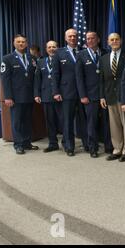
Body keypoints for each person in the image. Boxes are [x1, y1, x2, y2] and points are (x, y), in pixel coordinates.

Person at [52, 28, 88, 156]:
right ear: (66, 38)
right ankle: (69, 146)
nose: (73, 38)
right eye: (70, 36)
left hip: (83, 92)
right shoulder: (58, 53)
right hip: (66, 92)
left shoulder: (84, 52)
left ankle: (87, 143)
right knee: (67, 120)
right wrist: (56, 91)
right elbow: (55, 74)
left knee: (84, 120)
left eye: (75, 36)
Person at [0, 34, 39, 154]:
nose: (21, 44)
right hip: (15, 97)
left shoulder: (32, 58)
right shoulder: (7, 58)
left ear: (26, 44)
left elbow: (35, 77)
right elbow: (5, 79)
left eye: (23, 42)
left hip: (29, 96)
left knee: (27, 121)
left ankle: (27, 143)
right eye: (18, 42)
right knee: (17, 122)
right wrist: (8, 97)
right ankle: (18, 144)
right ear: (14, 43)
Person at [100, 33, 125, 162]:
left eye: (116, 39)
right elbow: (101, 79)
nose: (114, 41)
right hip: (109, 96)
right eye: (111, 40)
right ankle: (117, 149)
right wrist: (102, 96)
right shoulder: (103, 58)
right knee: (114, 125)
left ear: (121, 41)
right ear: (108, 42)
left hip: (124, 95)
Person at [76, 31, 104, 158]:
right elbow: (79, 77)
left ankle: (108, 146)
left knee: (106, 123)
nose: (90, 40)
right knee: (91, 123)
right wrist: (82, 95)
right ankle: (93, 147)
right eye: (88, 38)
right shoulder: (81, 55)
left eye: (93, 38)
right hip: (89, 95)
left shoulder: (105, 52)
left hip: (105, 94)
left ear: (98, 39)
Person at [34, 40, 63, 153]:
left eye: (54, 47)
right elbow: (37, 80)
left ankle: (66, 142)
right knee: (50, 121)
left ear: (58, 48)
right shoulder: (41, 62)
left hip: (61, 95)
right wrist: (36, 94)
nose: (52, 49)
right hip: (46, 96)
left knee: (63, 120)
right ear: (46, 49)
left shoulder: (62, 60)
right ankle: (53, 143)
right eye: (49, 47)